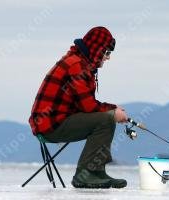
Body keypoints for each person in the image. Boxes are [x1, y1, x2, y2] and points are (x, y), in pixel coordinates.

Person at [28, 26, 128, 189]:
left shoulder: (80, 62)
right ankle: (85, 175)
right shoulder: (76, 65)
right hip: (51, 125)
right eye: (107, 53)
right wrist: (113, 111)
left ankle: (96, 172)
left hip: (55, 121)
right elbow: (88, 107)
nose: (108, 58)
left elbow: (85, 105)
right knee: (106, 119)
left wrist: (113, 109)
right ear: (97, 49)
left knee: (107, 117)